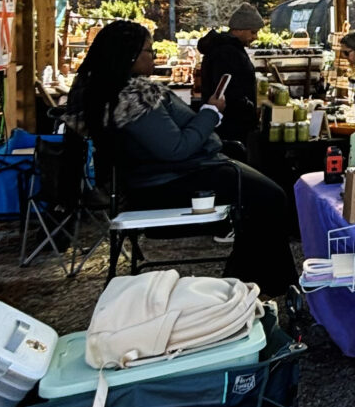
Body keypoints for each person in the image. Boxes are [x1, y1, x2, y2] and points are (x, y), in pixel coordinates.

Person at [66, 20, 296, 296]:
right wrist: (210, 112)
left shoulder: (112, 95)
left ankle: (251, 276)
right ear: (130, 56)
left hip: (168, 174)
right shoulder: (136, 99)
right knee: (270, 197)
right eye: (148, 51)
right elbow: (176, 148)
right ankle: (264, 282)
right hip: (175, 179)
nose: (152, 56)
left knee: (261, 197)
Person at [197, 3, 265, 147]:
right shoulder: (227, 52)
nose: (256, 37)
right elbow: (226, 90)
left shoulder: (229, 48)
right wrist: (248, 107)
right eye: (253, 32)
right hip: (230, 125)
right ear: (239, 30)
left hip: (229, 122)